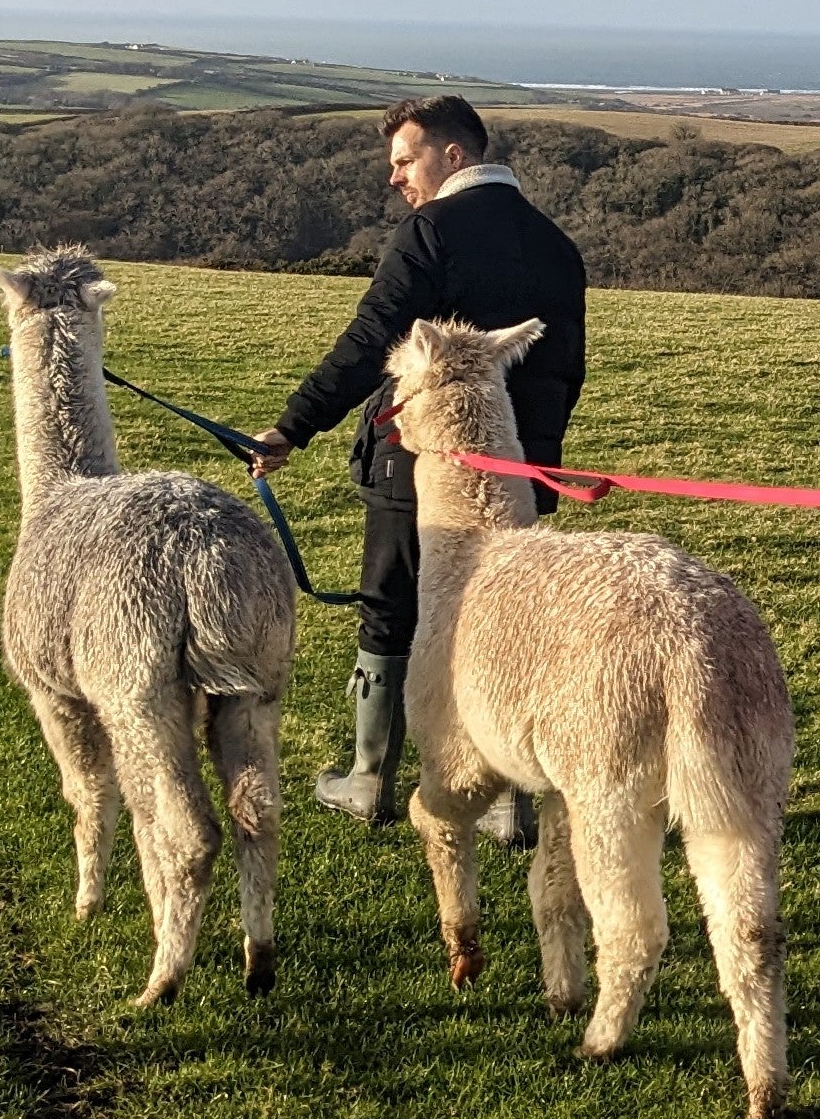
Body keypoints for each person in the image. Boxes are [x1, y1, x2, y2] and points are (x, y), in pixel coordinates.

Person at [248, 96, 587, 830]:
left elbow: (371, 339)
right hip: (522, 472)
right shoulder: (556, 244)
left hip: (423, 465)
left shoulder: (429, 231)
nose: (396, 178)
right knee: (508, 623)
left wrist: (291, 428)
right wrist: (537, 463)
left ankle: (370, 780)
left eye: (405, 160)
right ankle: (508, 801)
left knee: (392, 613)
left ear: (452, 154)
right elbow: (565, 369)